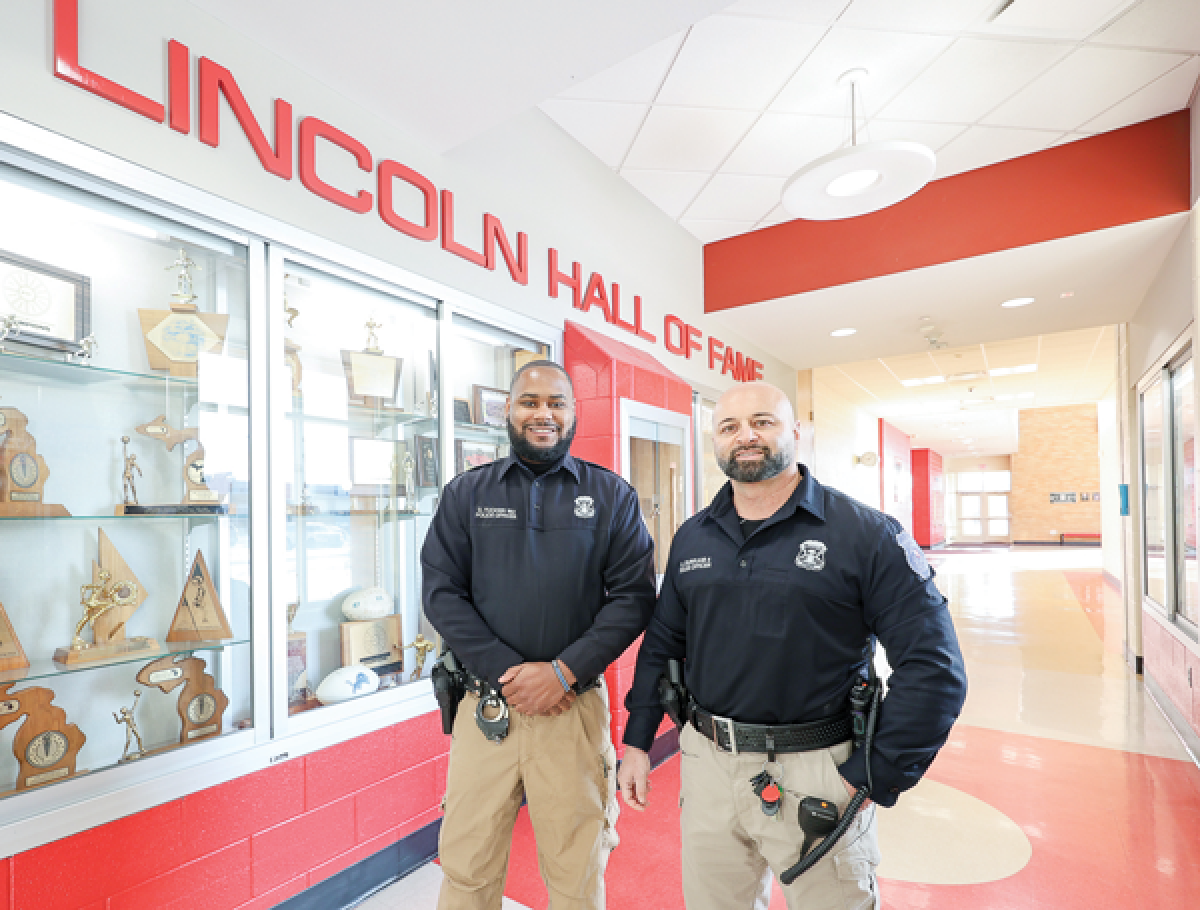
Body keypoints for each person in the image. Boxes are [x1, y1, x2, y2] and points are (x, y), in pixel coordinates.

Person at [617, 381, 967, 910]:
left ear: (796, 433)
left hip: (818, 772)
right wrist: (638, 740)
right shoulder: (694, 536)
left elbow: (934, 667)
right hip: (709, 765)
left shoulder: (864, 534)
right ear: (715, 441)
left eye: (763, 421)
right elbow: (664, 641)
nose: (746, 436)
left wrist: (872, 775)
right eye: (729, 427)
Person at [422, 360, 657, 910]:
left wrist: (563, 672)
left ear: (573, 413)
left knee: (577, 872)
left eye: (556, 403)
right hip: (486, 713)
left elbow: (633, 598)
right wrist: (508, 674)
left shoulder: (611, 496)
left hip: (571, 712)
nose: (542, 414)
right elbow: (441, 593)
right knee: (467, 868)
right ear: (508, 409)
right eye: (529, 402)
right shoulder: (466, 494)